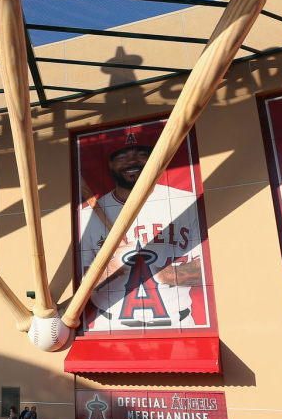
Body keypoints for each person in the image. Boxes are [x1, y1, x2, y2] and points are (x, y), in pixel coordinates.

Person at [76, 126, 206, 330]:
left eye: (141, 154)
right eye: (122, 156)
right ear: (110, 164)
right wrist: (112, 267)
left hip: (177, 325)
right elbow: (79, 286)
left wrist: (159, 272)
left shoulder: (185, 202)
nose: (132, 161)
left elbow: (205, 270)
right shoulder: (87, 215)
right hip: (109, 327)